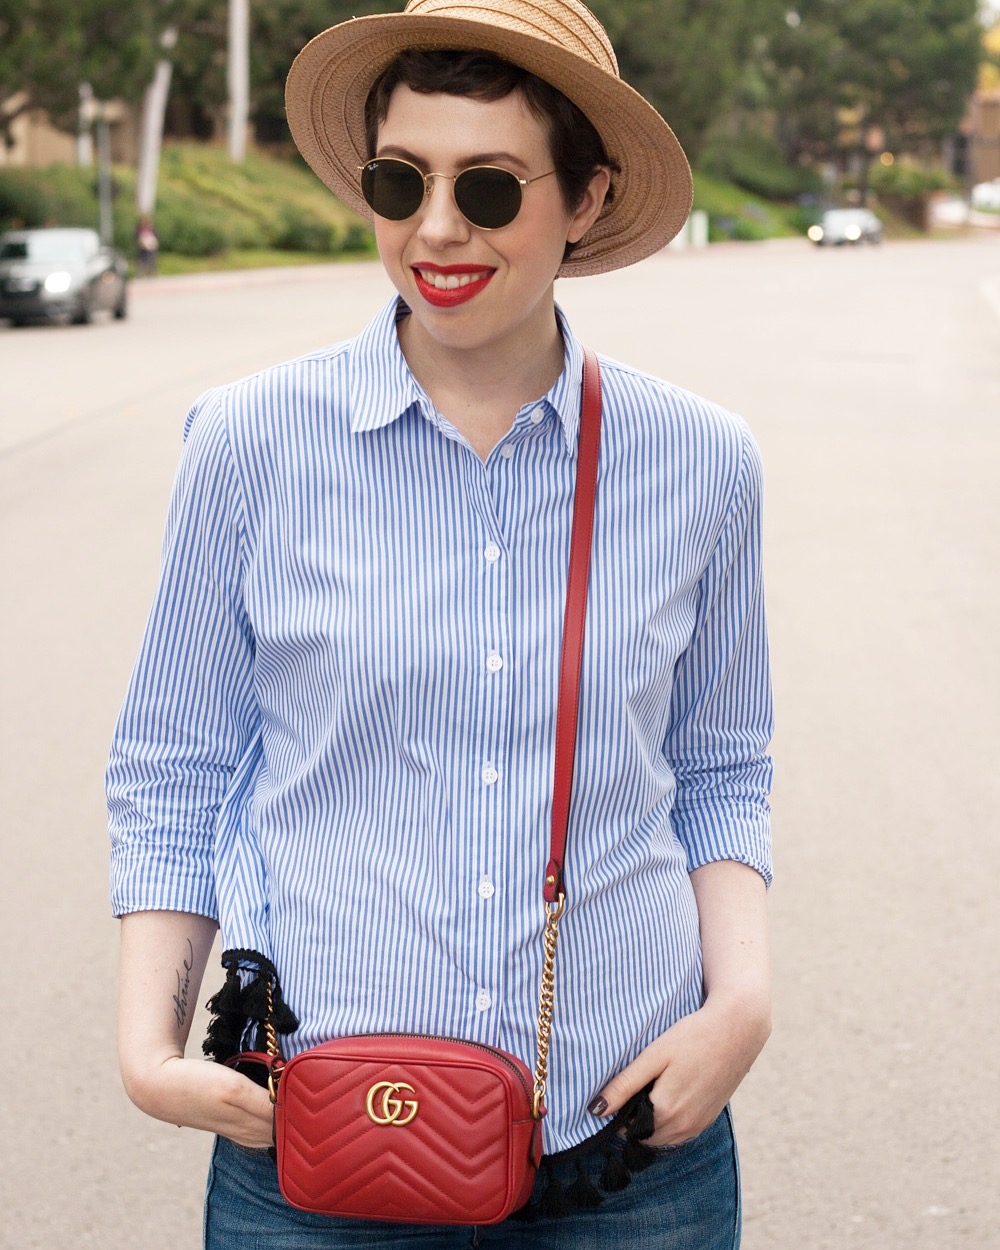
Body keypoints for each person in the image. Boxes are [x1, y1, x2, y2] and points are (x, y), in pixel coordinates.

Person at [108, 1, 773, 1246]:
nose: (437, 228)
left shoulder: (698, 460)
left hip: (625, 1140)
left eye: (490, 185)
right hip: (316, 1139)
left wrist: (740, 1001)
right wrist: (148, 1049)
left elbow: (723, 766)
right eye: (399, 178)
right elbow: (174, 765)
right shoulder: (249, 443)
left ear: (585, 198)